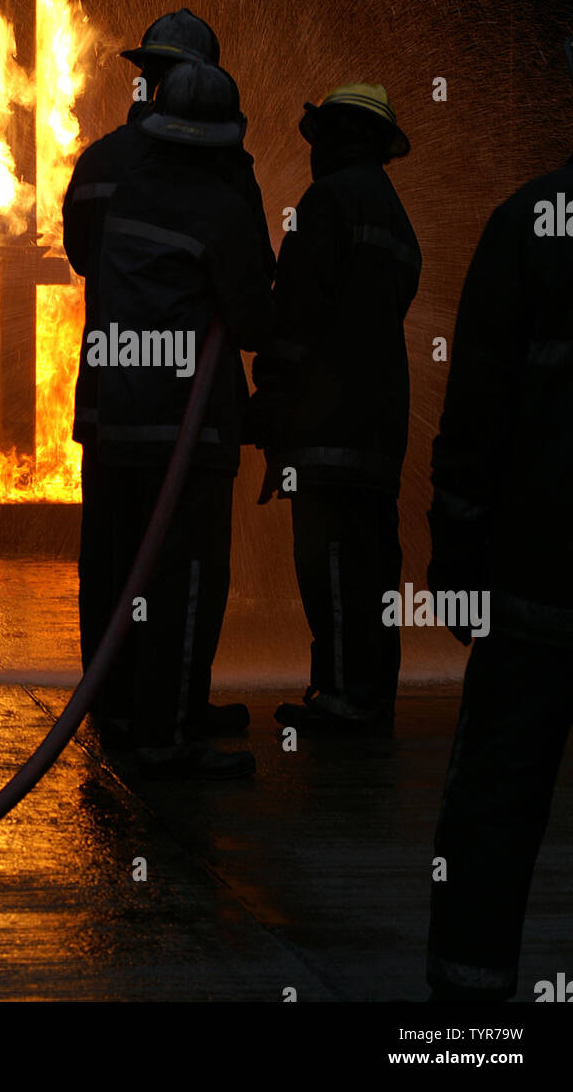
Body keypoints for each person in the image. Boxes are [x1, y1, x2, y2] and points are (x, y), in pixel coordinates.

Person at [63, 10, 273, 745]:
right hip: (189, 417)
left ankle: (113, 705)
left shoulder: (99, 164)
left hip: (113, 402)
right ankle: (173, 715)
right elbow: (251, 303)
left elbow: (86, 261)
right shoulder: (221, 185)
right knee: (184, 575)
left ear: (146, 74)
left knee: (112, 562)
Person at [426, 145, 573, 1002]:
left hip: (534, 593)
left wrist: (458, 556)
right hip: (532, 591)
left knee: (491, 819)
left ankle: (468, 1032)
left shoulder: (529, 221)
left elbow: (477, 407)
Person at [253, 83, 420, 734]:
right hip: (380, 418)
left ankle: (342, 697)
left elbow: (297, 310)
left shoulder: (328, 203)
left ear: (341, 139)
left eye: (321, 138)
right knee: (374, 563)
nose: (314, 151)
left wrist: (270, 392)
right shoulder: (395, 215)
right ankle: (370, 695)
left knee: (329, 561)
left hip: (325, 420)